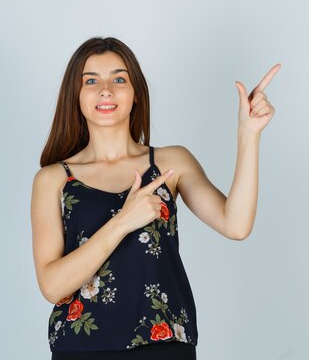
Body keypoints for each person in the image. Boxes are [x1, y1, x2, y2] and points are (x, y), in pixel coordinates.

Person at [30, 36, 279, 359]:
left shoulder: (171, 163)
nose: (106, 89)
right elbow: (52, 285)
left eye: (119, 79)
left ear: (136, 95)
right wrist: (123, 221)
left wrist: (249, 134)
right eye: (91, 80)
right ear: (75, 96)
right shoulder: (54, 179)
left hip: (164, 347)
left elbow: (236, 224)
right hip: (81, 348)